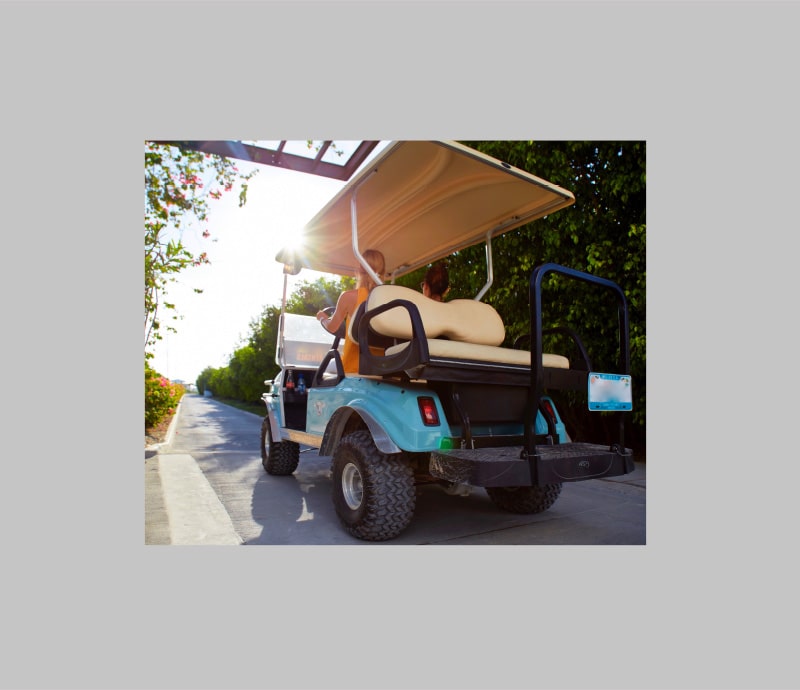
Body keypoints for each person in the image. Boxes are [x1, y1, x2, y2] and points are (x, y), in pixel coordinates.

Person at [316, 249, 386, 374]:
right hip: (382, 367)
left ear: (360, 268)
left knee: (325, 368)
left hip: (354, 367)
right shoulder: (389, 298)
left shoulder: (348, 297)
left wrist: (322, 318)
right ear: (382, 271)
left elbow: (332, 327)